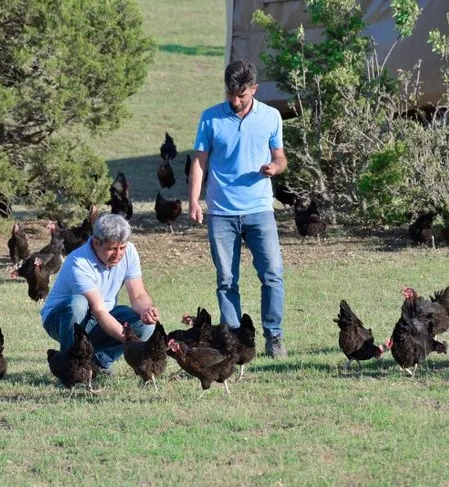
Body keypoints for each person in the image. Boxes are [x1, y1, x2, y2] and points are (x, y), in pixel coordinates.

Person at [188, 58, 288, 358]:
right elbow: (199, 162)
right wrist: (194, 200)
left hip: (260, 209)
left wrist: (275, 167)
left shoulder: (271, 117)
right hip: (221, 212)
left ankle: (274, 336)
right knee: (226, 280)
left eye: (241, 95)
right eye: (230, 94)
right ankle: (232, 340)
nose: (235, 100)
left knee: (272, 274)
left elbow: (281, 157)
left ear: (254, 89)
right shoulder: (210, 118)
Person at [40, 213, 160, 372]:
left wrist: (146, 310)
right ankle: (70, 366)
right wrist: (131, 340)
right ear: (96, 243)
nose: (118, 255)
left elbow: (138, 295)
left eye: (122, 248)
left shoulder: (129, 252)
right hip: (61, 320)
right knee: (78, 303)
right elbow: (98, 310)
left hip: (101, 318)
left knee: (144, 325)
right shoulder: (79, 262)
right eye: (111, 249)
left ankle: (99, 363)